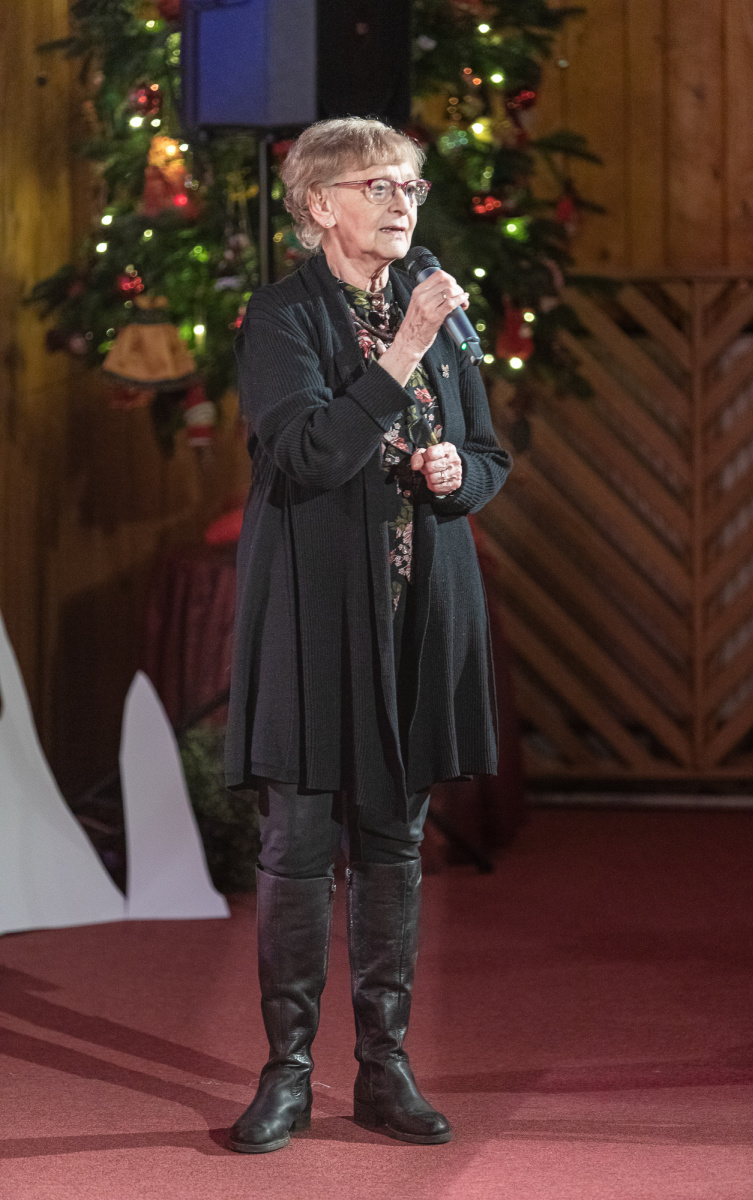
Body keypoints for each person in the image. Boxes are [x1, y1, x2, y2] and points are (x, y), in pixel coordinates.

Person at [224, 116, 511, 1153]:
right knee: (298, 844)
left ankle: (384, 1068)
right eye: (376, 185)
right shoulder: (283, 316)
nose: (400, 203)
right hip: (311, 609)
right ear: (318, 204)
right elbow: (307, 453)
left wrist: (457, 474)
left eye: (409, 187)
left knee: (394, 842)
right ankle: (287, 1073)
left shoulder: (432, 307)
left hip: (415, 608)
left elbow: (488, 454)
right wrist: (403, 352)